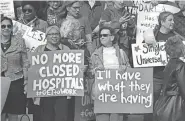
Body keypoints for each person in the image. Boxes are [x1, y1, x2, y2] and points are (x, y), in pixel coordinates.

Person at [90, 26, 130, 121]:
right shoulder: (95, 54)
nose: (102, 37)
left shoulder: (121, 53)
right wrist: (95, 70)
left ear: (112, 38)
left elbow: (130, 70)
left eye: (105, 35)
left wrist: (125, 69)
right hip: (101, 92)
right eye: (100, 36)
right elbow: (90, 73)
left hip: (118, 92)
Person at [143, 11, 176, 121]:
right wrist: (147, 44)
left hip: (171, 79)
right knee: (150, 105)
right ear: (162, 22)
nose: (173, 22)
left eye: (173, 20)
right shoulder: (152, 35)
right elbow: (142, 54)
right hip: (155, 77)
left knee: (167, 106)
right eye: (170, 20)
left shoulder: (175, 37)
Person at [34, 26, 70, 121]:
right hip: (44, 92)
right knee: (46, 117)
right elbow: (32, 68)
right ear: (46, 36)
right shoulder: (39, 50)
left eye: (57, 34)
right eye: (51, 34)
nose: (54, 36)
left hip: (62, 92)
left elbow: (71, 67)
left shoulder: (66, 49)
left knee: (61, 117)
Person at [1, 17, 29, 121]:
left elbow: (25, 62)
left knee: (14, 113)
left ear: (12, 28)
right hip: (0, 83)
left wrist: (26, 82)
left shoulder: (19, 41)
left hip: (16, 82)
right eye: (3, 26)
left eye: (9, 26)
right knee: (1, 113)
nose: (6, 28)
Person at [154, 35, 185, 121]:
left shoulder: (169, 64)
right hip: (176, 105)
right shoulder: (180, 65)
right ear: (180, 48)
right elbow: (183, 88)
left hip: (164, 102)